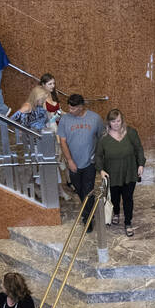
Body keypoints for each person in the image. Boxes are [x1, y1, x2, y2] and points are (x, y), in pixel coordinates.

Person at [58, 94, 106, 231]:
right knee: (79, 189)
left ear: (81, 107)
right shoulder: (65, 120)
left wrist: (98, 157)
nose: (70, 110)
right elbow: (63, 141)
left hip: (90, 162)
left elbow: (102, 138)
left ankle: (88, 218)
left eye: (73, 108)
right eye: (69, 107)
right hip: (73, 163)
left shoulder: (95, 118)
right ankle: (89, 208)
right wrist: (69, 160)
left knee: (88, 190)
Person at [96, 108, 146, 237]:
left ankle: (128, 222)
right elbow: (98, 156)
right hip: (112, 173)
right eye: (113, 121)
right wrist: (101, 170)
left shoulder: (131, 133)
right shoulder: (103, 137)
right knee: (115, 197)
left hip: (129, 172)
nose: (116, 124)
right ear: (109, 122)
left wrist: (141, 164)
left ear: (122, 120)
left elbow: (139, 149)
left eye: (118, 121)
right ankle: (116, 213)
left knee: (128, 198)